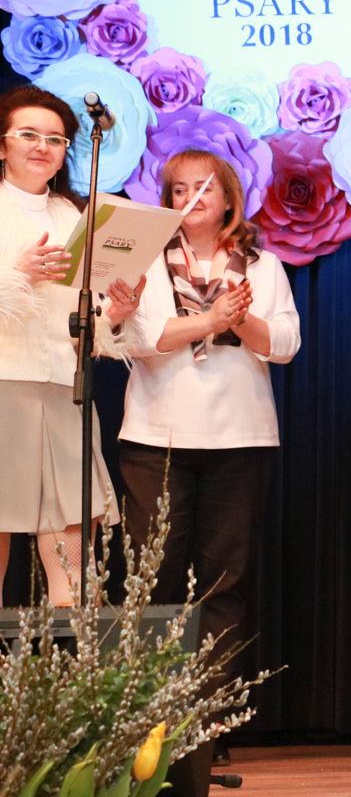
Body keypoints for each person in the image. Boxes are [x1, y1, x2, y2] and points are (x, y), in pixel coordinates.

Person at [118, 149, 301, 766]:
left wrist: (239, 321)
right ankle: (148, 728)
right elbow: (141, 339)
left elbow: (285, 344)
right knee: (155, 584)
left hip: (240, 440)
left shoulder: (264, 266)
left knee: (224, 587)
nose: (191, 198)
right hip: (157, 439)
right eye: (179, 189)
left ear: (227, 199)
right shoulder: (145, 260)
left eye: (204, 188)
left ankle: (204, 731)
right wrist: (210, 318)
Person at [0, 85, 142, 607]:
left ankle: (71, 649)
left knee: (72, 536)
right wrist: (18, 274)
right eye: (28, 134)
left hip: (66, 387)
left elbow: (82, 319)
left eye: (55, 139)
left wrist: (114, 315)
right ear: (2, 144)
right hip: (5, 384)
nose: (43, 147)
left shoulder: (75, 216)